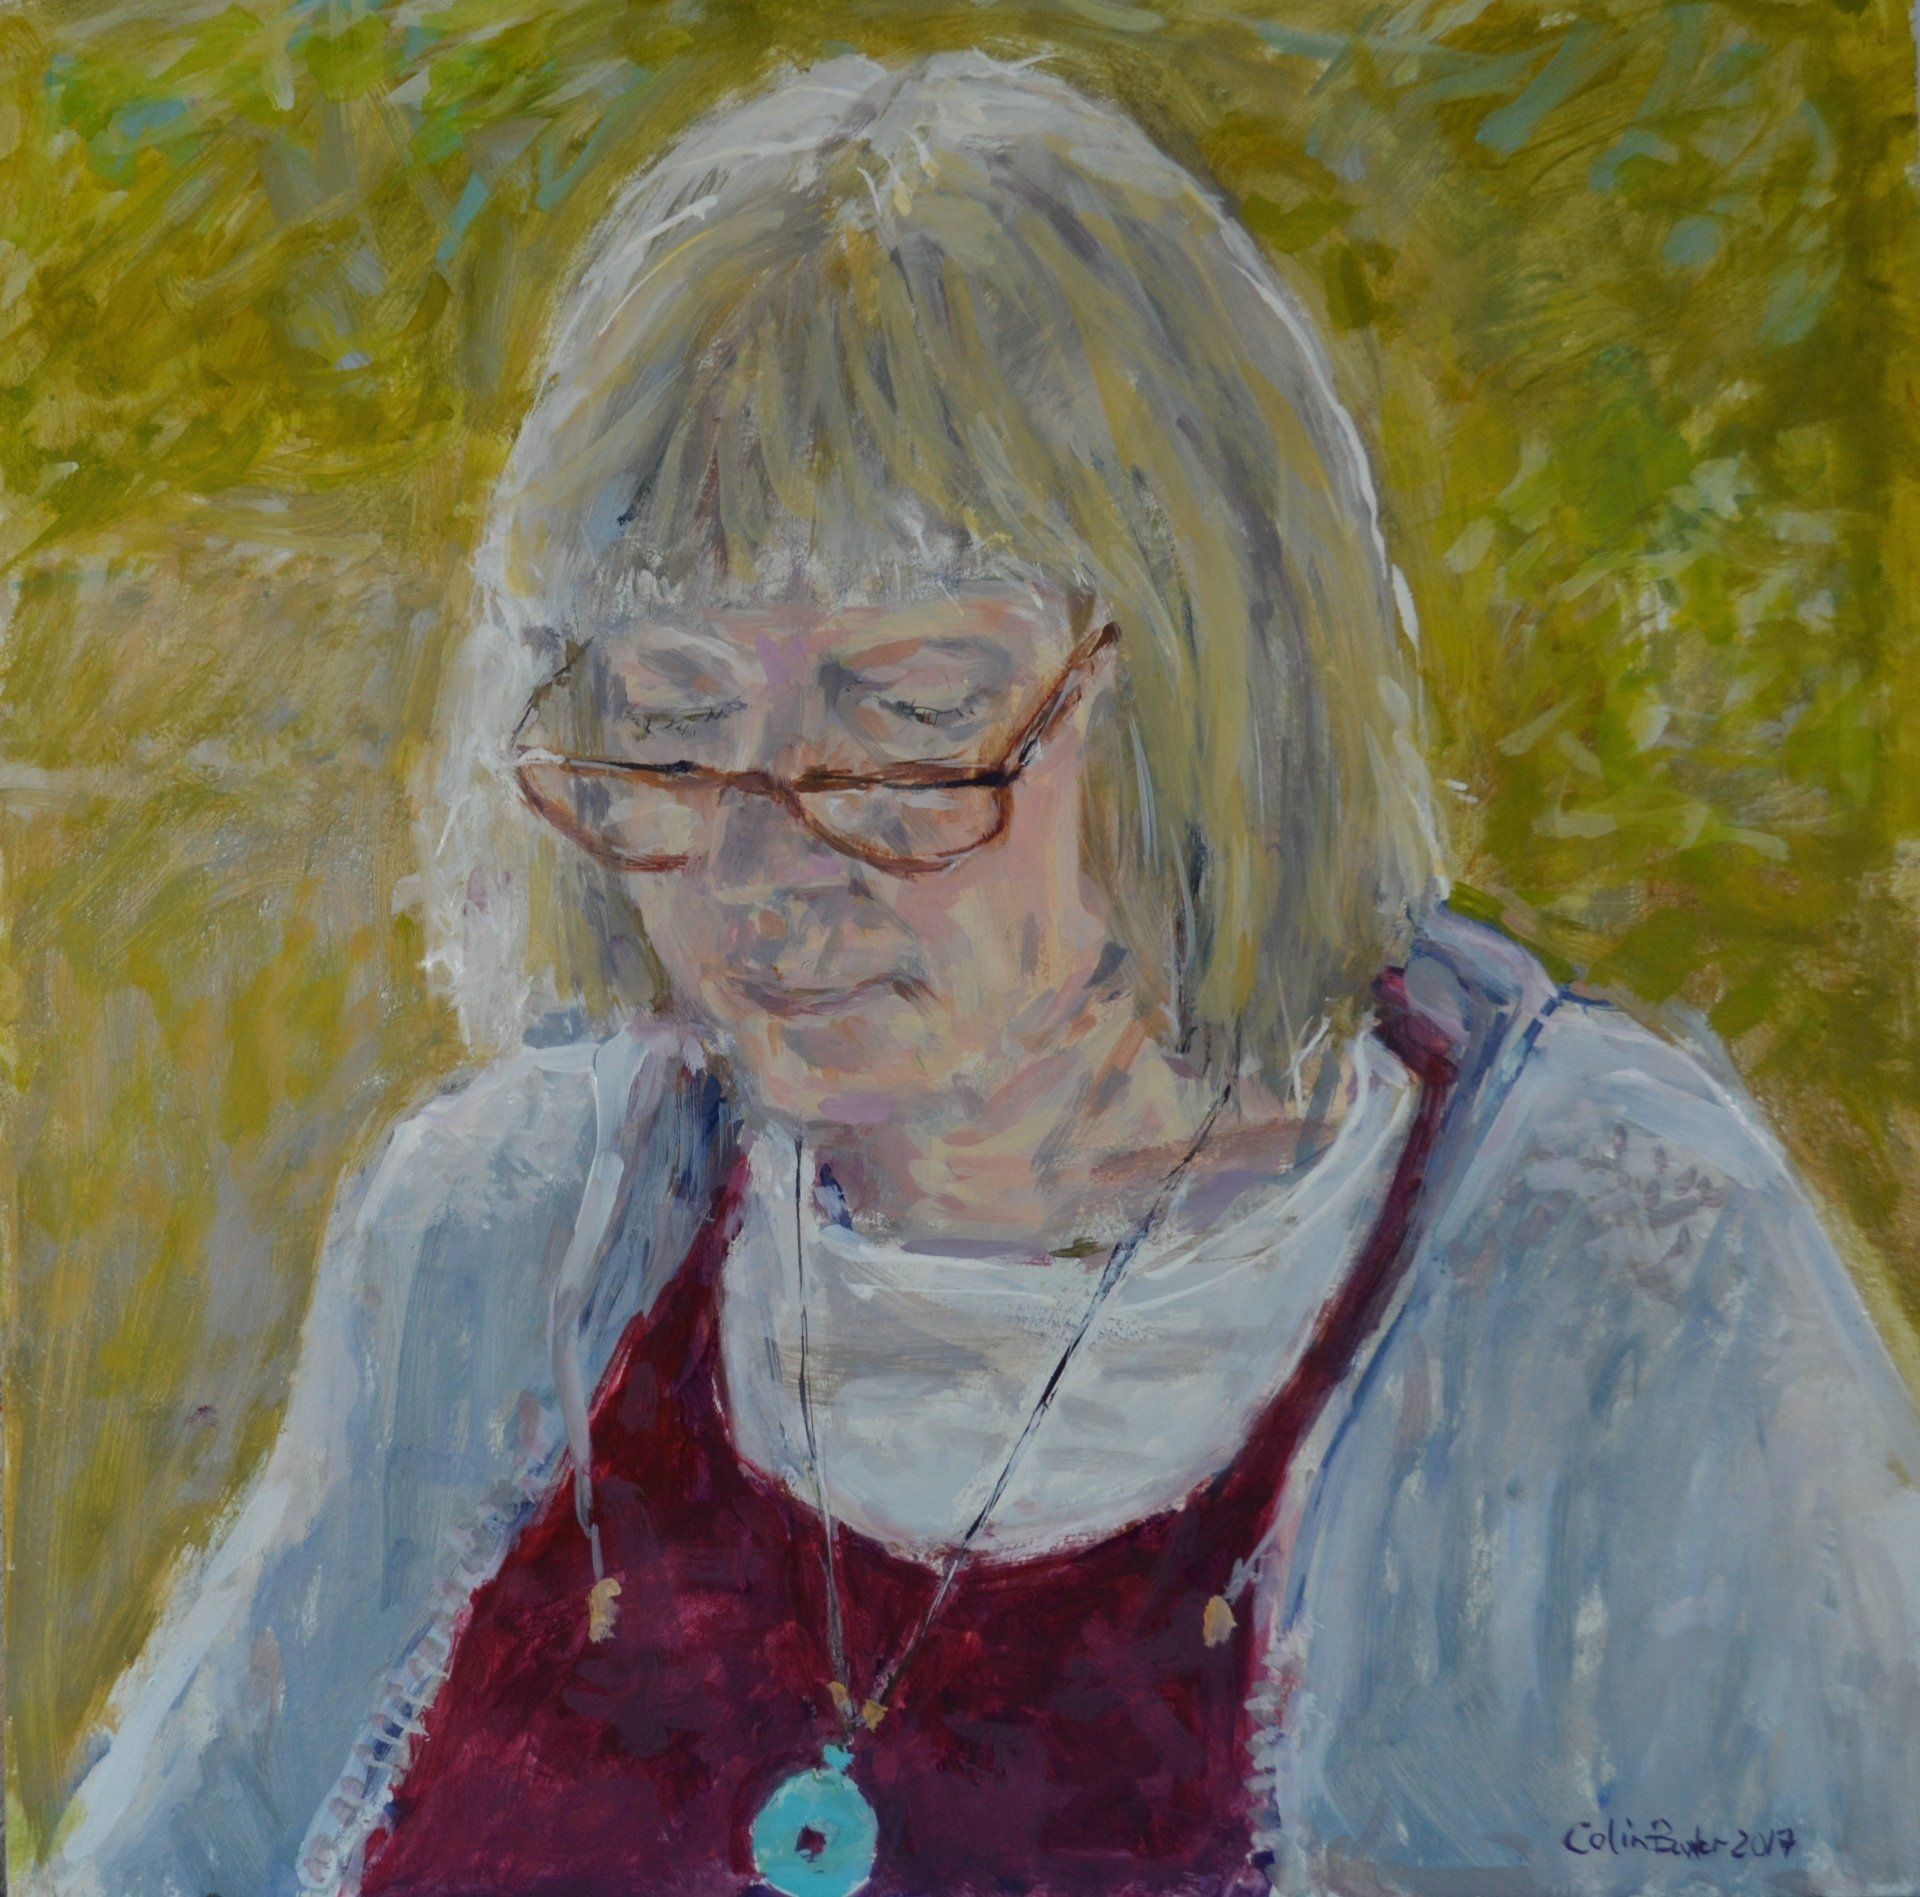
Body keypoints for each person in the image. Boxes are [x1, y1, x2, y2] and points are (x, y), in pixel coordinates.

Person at [35, 51, 1920, 1897]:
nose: (764, 867)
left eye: (911, 715)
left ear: (1198, 686)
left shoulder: (1619, 1272)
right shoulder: (500, 1237)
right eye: (672, 718)